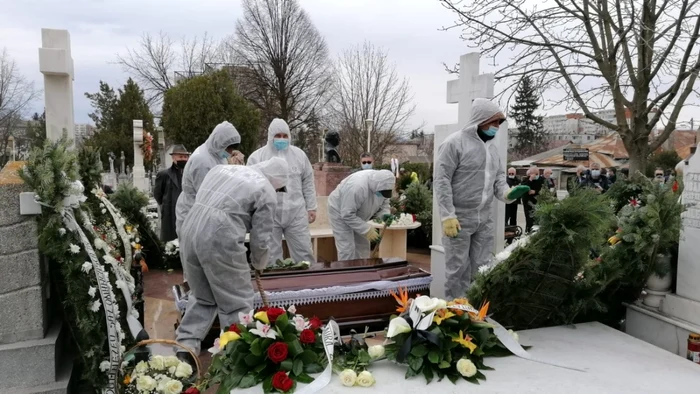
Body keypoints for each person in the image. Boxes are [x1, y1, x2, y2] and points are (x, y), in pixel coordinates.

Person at [175, 158, 288, 358]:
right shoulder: (266, 190)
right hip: (220, 235)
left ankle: (185, 347)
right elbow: (261, 238)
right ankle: (234, 356)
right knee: (237, 301)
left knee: (202, 295)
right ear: (276, 182)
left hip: (191, 229)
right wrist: (258, 264)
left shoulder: (222, 169)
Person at [434, 98, 530, 299]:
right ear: (481, 119)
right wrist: (447, 215)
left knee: (483, 268)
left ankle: (478, 309)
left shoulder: (492, 150)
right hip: (458, 218)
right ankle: (456, 312)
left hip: (484, 219)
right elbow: (441, 180)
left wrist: (506, 193)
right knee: (457, 269)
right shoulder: (454, 144)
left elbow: (498, 179)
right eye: (493, 122)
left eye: (499, 123)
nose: (496, 127)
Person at [247, 119, 317, 264]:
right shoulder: (257, 157)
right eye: (277, 135)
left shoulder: (299, 156)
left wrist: (311, 207)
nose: (282, 139)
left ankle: (307, 284)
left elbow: (308, 182)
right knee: (271, 256)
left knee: (304, 252)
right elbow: (249, 187)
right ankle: (275, 285)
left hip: (296, 213)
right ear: (270, 136)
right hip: (269, 214)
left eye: (285, 136)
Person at [175, 121, 241, 235]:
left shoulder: (218, 155)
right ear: (219, 142)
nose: (230, 152)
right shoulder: (202, 160)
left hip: (208, 214)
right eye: (228, 148)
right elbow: (206, 196)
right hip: (194, 215)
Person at [327, 169, 396, 260]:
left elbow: (384, 202)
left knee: (363, 246)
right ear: (376, 187)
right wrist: (366, 229)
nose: (383, 194)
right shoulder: (357, 187)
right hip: (340, 210)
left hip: (359, 212)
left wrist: (384, 215)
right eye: (382, 192)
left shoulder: (384, 185)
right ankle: (346, 271)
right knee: (347, 247)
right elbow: (347, 214)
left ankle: (362, 270)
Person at [154, 145, 190, 242]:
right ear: (173, 157)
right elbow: (158, 194)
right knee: (170, 242)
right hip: (170, 214)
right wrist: (167, 204)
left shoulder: (190, 174)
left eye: (185, 157)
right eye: (180, 157)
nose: (183, 159)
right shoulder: (164, 175)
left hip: (187, 213)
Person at [521, 166, 545, 233]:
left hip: (538, 202)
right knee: (529, 220)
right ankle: (528, 232)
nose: (536, 175)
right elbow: (523, 188)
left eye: (537, 174)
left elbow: (544, 189)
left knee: (537, 219)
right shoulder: (526, 180)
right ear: (530, 174)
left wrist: (535, 191)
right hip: (528, 203)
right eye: (535, 174)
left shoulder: (541, 179)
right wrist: (530, 180)